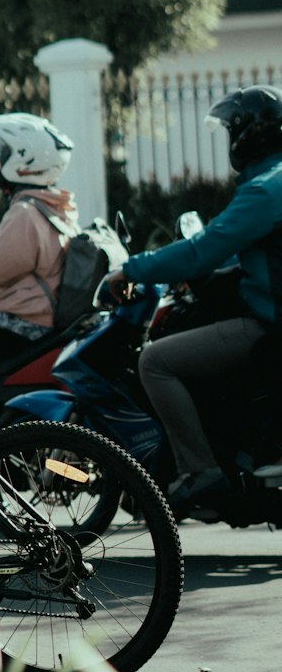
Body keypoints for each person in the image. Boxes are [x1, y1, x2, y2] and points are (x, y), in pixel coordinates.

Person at [105, 85, 282, 515]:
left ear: (247, 136)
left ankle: (201, 472)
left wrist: (131, 269)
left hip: (271, 323)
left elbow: (204, 247)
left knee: (156, 362)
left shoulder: (265, 188)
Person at [0, 113, 78, 363]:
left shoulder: (25, 215)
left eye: (3, 154)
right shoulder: (56, 207)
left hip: (22, 323)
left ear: (23, 159)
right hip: (44, 322)